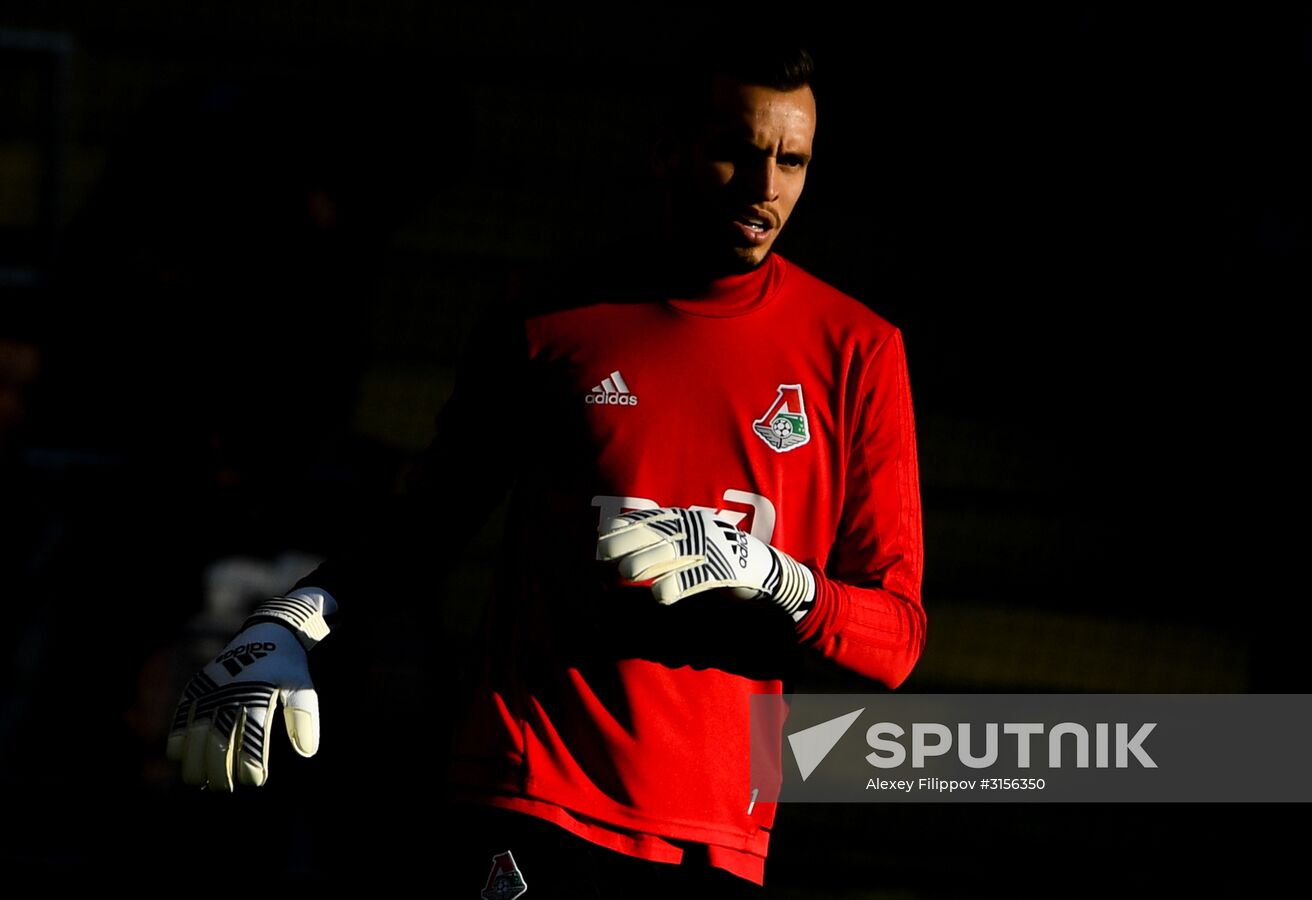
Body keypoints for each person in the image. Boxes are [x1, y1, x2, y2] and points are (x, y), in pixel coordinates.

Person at [166, 44, 925, 894]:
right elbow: (431, 519)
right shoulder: (551, 319)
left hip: (719, 832)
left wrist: (779, 580)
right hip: (531, 794)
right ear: (666, 149)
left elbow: (895, 637)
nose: (765, 185)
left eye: (792, 160)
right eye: (738, 151)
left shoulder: (858, 350)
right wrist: (293, 619)